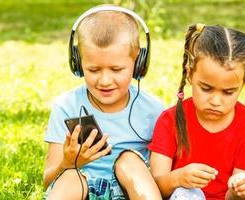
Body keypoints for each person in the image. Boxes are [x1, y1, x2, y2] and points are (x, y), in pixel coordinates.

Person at [149, 24, 245, 200]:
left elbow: (234, 197)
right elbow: (156, 187)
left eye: (228, 92)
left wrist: (239, 190)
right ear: (190, 74)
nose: (215, 101)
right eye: (206, 88)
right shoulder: (171, 120)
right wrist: (178, 178)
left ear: (243, 84)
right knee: (186, 193)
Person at [42, 5, 165, 200]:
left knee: (130, 161)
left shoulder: (155, 110)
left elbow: (162, 175)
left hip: (131, 191)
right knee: (71, 177)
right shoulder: (66, 106)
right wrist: (68, 162)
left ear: (139, 63)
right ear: (78, 64)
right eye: (93, 70)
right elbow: (47, 180)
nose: (105, 80)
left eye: (116, 69)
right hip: (81, 188)